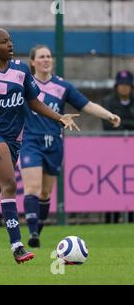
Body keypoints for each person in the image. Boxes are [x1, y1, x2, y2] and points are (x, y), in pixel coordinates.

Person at [0, 29, 80, 264]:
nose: (10, 44)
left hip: (14, 138)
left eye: (10, 40)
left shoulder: (20, 70)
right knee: (10, 185)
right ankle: (17, 246)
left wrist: (59, 117)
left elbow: (33, 102)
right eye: (4, 41)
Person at [19, 45, 121, 247]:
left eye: (49, 56)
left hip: (55, 144)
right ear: (33, 62)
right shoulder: (25, 85)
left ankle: (36, 231)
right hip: (31, 142)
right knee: (33, 188)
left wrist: (108, 115)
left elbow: (87, 105)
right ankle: (32, 234)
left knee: (46, 193)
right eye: (41, 57)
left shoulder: (62, 86)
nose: (46, 60)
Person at [102, 70, 134, 223]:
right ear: (116, 86)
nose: (124, 88)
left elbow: (118, 125)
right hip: (112, 151)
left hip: (132, 151)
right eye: (121, 84)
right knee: (112, 185)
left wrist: (122, 125)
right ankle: (111, 219)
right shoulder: (108, 102)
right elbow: (107, 126)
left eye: (127, 84)